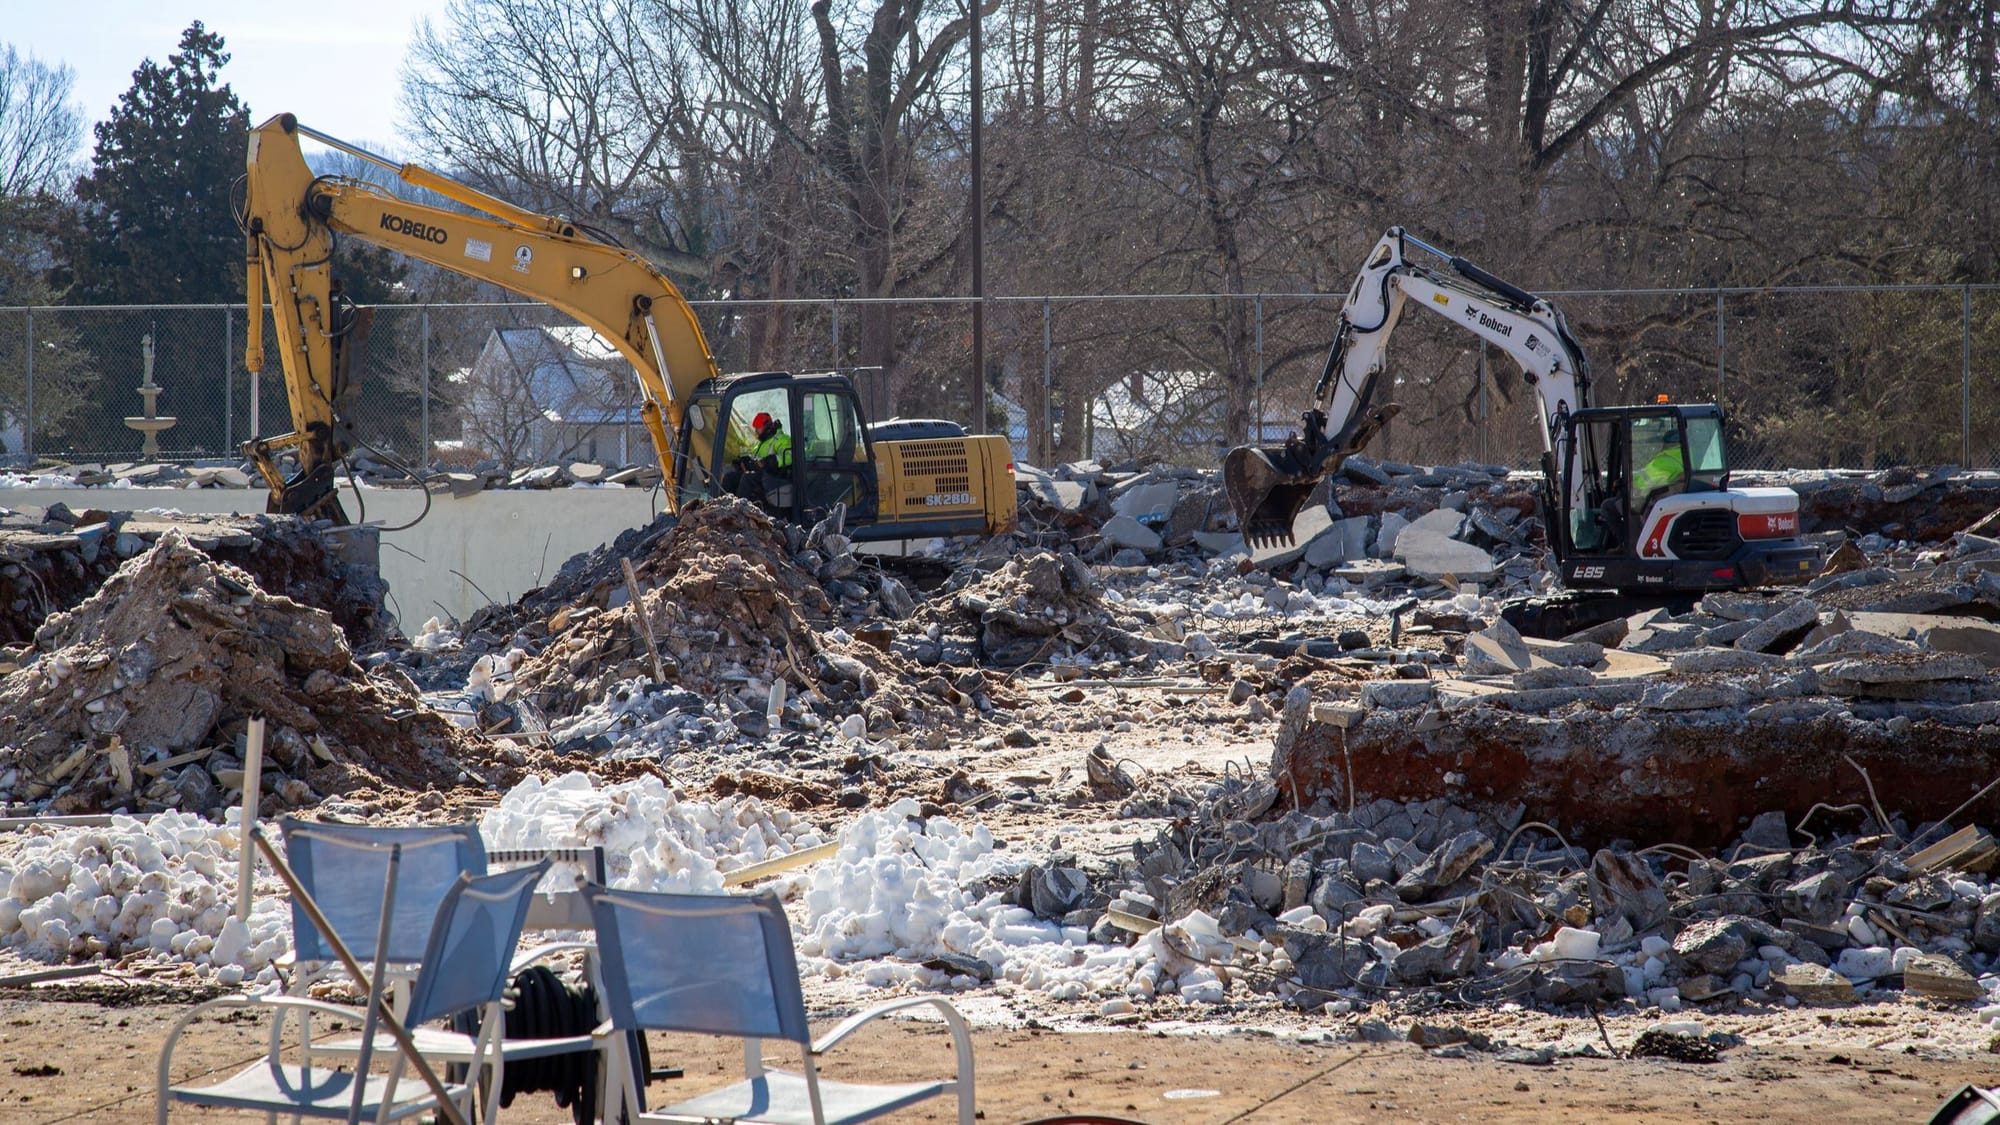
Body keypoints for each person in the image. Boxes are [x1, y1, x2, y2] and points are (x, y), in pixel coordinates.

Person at [722, 411, 793, 508]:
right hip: (759, 474)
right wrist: (745, 461)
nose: (755, 431)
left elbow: (790, 456)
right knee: (729, 477)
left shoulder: (782, 439)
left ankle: (739, 510)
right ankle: (724, 507)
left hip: (773, 476)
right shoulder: (760, 443)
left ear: (767, 427)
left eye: (758, 428)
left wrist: (772, 461)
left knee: (747, 478)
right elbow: (755, 458)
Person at [1632, 420, 1687, 499]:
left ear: (1671, 443)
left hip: (1654, 499)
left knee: (1609, 505)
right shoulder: (1684, 456)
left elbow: (1647, 483)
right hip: (1666, 497)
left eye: (1665, 442)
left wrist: (1631, 482)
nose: (1663, 444)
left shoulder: (1667, 459)